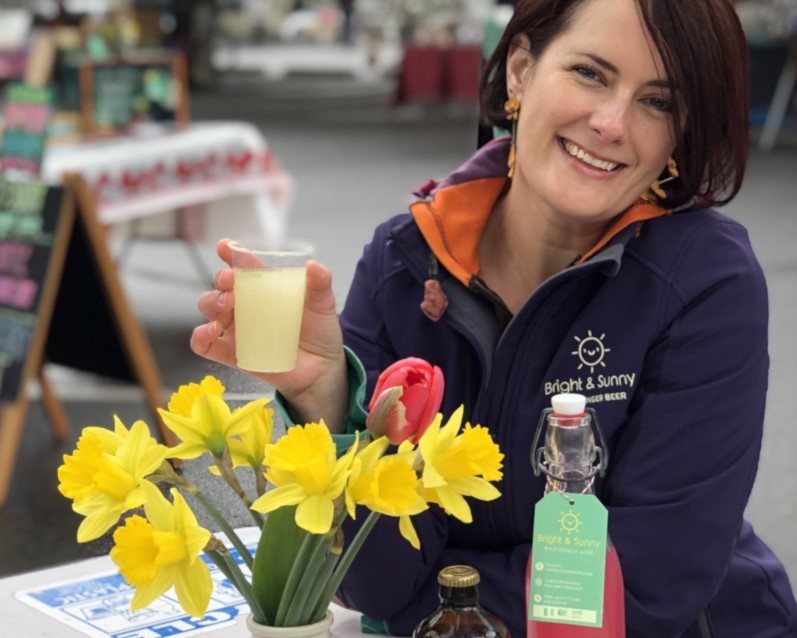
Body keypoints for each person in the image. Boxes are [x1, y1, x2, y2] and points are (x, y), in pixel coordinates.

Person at [191, 0, 797, 635]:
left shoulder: (705, 280)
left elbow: (648, 586)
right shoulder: (404, 263)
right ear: (519, 69)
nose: (612, 123)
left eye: (659, 102)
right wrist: (325, 400)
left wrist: (441, 601)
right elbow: (370, 581)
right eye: (591, 73)